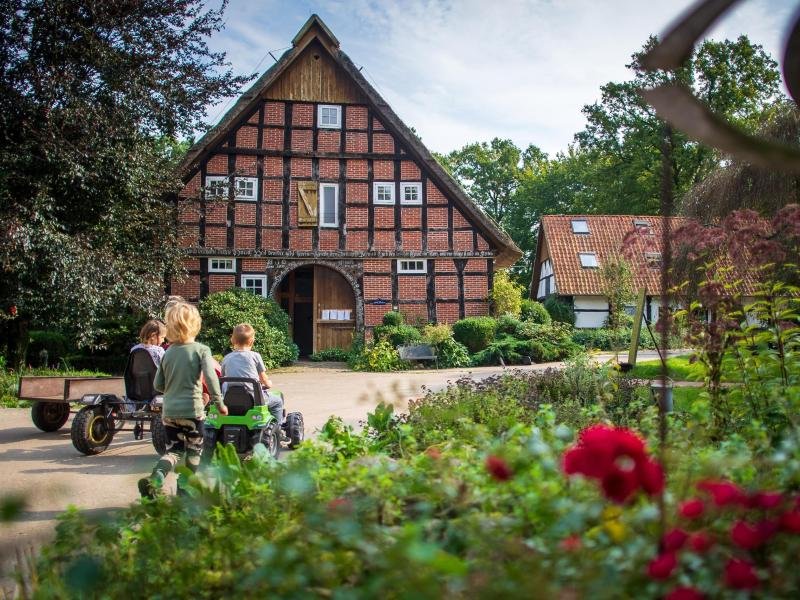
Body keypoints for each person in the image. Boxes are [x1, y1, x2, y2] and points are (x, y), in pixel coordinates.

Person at [138, 302, 228, 499]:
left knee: (174, 451)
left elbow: (158, 384)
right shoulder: (201, 350)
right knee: (194, 450)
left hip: (169, 412)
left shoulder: (168, 352)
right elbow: (211, 378)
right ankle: (184, 490)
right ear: (196, 325)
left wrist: (173, 389)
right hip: (192, 412)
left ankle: (156, 478)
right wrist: (219, 403)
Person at [220, 323, 284, 426]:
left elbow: (223, 378)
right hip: (253, 399)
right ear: (252, 341)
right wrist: (268, 384)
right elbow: (263, 379)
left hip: (230, 399)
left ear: (232, 340)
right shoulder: (255, 356)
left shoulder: (226, 358)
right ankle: (278, 428)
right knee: (277, 401)